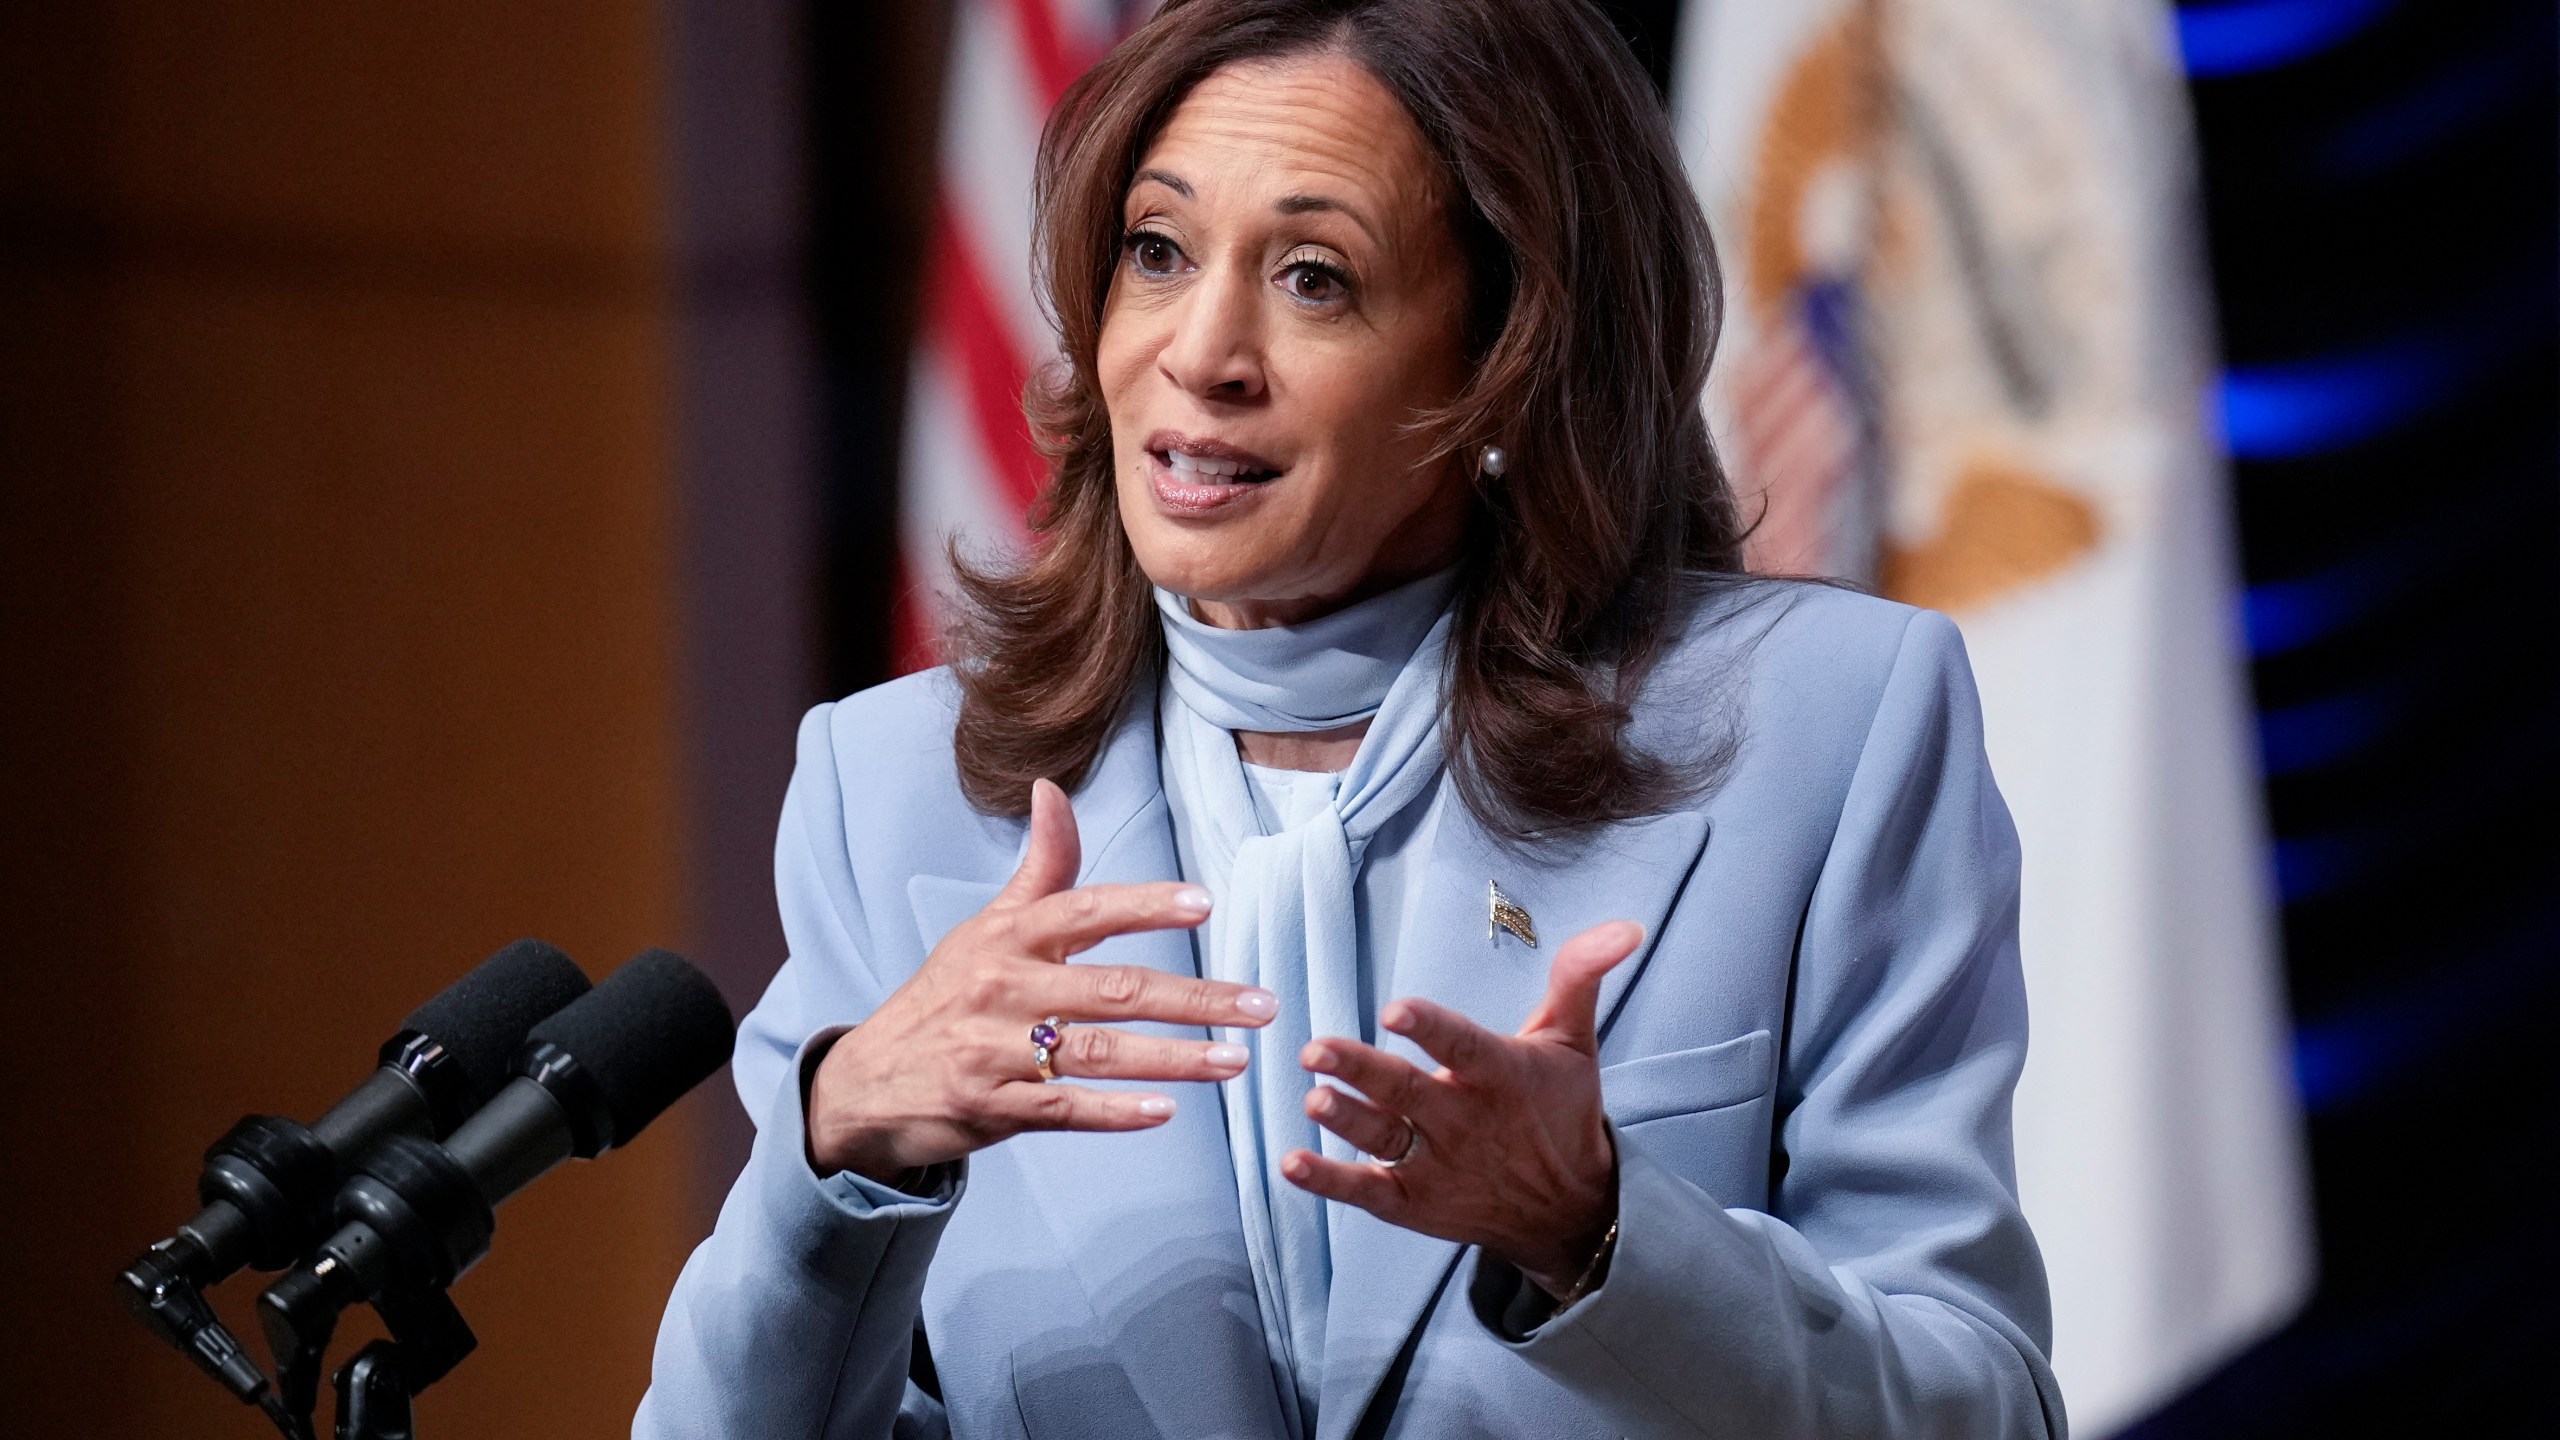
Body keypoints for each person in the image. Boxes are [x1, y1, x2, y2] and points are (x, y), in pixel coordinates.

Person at [638, 0, 2063, 1434]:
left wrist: (1602, 1237)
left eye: (1316, 279)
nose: (1202, 352)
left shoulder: (1821, 732)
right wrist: (843, 1150)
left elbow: (1983, 1407)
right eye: (1157, 252)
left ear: (1509, 355)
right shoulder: (895, 790)